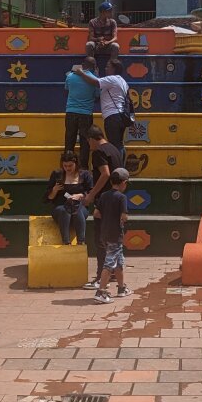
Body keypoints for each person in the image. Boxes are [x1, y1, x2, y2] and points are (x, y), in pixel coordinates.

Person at [83, 124, 123, 289]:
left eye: (88, 142)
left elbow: (105, 173)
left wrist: (91, 195)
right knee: (112, 239)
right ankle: (113, 273)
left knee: (101, 239)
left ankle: (101, 277)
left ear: (92, 139)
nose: (89, 146)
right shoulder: (113, 148)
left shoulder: (99, 151)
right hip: (115, 199)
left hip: (104, 201)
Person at [75, 59, 131, 156]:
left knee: (114, 144)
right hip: (121, 116)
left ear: (114, 69)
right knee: (119, 144)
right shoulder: (122, 81)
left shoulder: (112, 79)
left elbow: (96, 82)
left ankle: (117, 166)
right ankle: (121, 165)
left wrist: (81, 74)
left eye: (108, 66)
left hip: (112, 116)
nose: (105, 68)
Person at [93, 167, 131, 303]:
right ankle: (101, 292)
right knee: (109, 263)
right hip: (115, 234)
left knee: (119, 261)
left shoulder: (104, 196)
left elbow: (96, 214)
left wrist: (107, 217)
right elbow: (124, 217)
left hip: (104, 233)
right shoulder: (122, 197)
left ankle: (121, 288)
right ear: (123, 182)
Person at [46, 150, 92, 246]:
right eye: (65, 166)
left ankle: (81, 242)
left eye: (70, 166)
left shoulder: (85, 175)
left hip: (79, 206)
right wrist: (54, 190)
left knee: (77, 210)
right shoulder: (57, 174)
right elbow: (48, 198)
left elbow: (91, 193)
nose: (68, 168)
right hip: (61, 206)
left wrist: (81, 195)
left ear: (76, 164)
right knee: (64, 210)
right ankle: (66, 242)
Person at [64, 57, 98, 167]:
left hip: (71, 112)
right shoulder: (94, 80)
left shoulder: (70, 77)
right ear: (94, 67)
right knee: (85, 143)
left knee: (69, 140)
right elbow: (97, 96)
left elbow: (67, 90)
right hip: (86, 114)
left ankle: (67, 166)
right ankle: (83, 168)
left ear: (82, 65)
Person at [87, 2, 120, 71]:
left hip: (108, 46)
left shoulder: (112, 22)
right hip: (97, 46)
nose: (111, 12)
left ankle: (111, 67)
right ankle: (92, 68)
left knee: (116, 46)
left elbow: (115, 37)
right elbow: (90, 38)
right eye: (110, 11)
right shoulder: (92, 22)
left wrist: (107, 42)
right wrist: (98, 39)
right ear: (103, 12)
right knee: (89, 44)